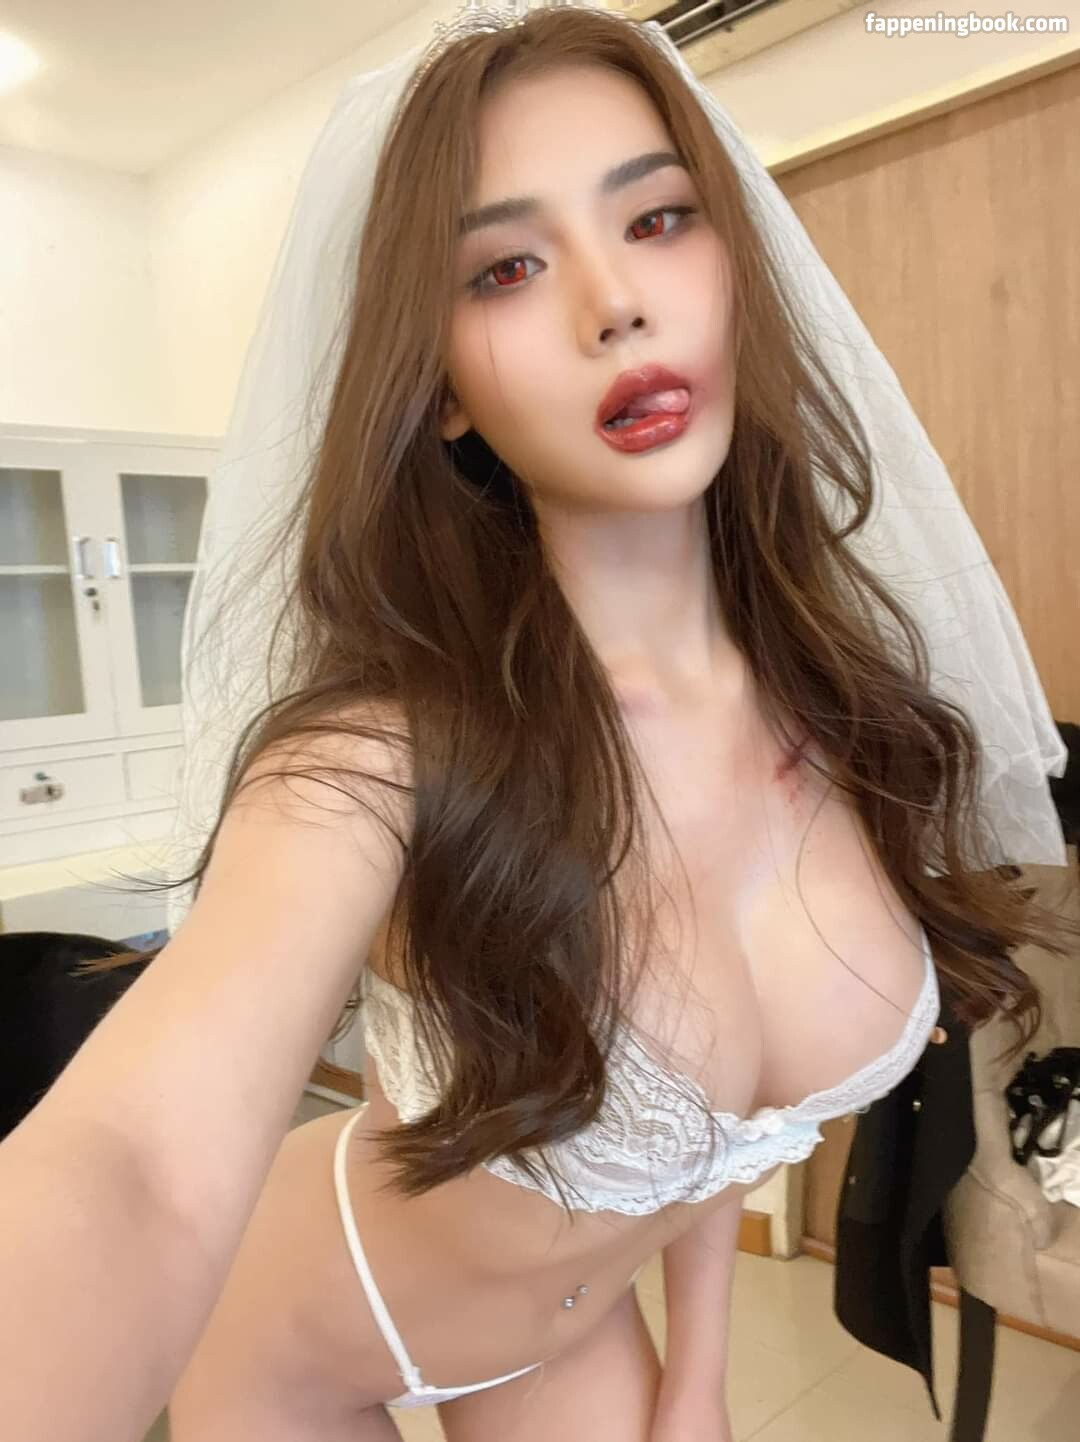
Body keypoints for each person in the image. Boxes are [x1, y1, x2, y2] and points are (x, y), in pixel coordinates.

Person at [1, 6, 1074, 1442]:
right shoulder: (379, 757)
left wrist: (698, 1377)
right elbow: (133, 1166)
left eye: (658, 219)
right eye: (507, 266)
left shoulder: (836, 701)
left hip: (562, 1336)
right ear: (442, 388)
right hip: (299, 1331)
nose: (613, 302)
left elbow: (722, 1127)